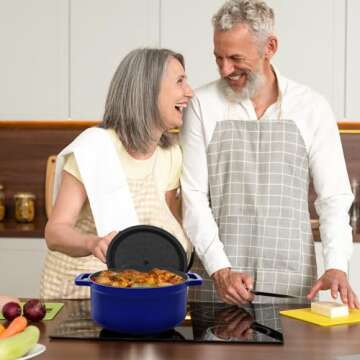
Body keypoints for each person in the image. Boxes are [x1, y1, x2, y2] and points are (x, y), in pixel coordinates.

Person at [181, 0, 359, 307]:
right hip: (218, 281)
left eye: (236, 58)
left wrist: (337, 264)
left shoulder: (311, 107)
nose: (226, 69)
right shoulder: (202, 105)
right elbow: (192, 196)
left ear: (270, 46)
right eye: (218, 58)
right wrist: (221, 269)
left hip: (290, 283)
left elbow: (333, 199)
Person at [40, 48, 193, 299]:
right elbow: (55, 232)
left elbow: (171, 220)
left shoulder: (171, 154)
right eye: (180, 81)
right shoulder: (93, 148)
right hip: (82, 292)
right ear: (148, 90)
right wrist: (92, 243)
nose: (189, 91)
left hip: (140, 288)